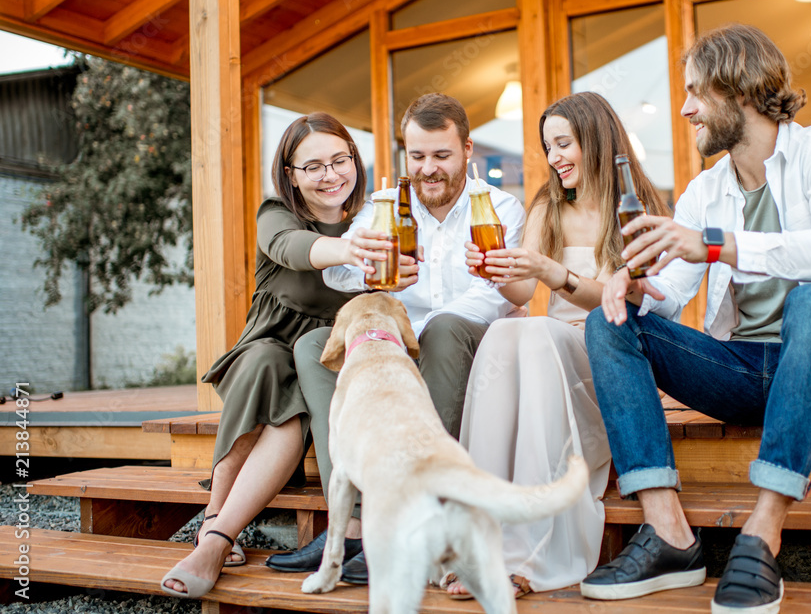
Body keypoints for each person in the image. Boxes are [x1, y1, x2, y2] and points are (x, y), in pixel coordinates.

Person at [580, 24, 811, 613]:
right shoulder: (704, 191)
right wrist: (633, 290)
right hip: (744, 370)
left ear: (740, 88)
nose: (684, 109)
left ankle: (763, 529)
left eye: (695, 93)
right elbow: (672, 290)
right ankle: (667, 533)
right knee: (608, 322)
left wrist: (717, 245)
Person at [265, 92, 527, 579]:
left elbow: (494, 296)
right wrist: (371, 269)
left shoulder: (499, 207)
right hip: (401, 343)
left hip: (468, 342)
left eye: (441, 155)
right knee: (312, 347)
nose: (428, 168)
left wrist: (410, 335)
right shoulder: (385, 206)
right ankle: (355, 524)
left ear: (468, 149)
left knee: (443, 328)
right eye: (418, 155)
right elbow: (338, 276)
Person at [444, 92, 667, 599]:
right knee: (507, 329)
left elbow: (617, 301)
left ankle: (530, 553)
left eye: (564, 144)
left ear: (595, 138)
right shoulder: (548, 204)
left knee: (540, 333)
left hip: (609, 355)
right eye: (549, 147)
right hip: (550, 353)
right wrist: (494, 270)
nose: (555, 158)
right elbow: (523, 291)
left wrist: (555, 273)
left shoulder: (637, 205)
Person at [160, 112, 374, 598]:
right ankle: (215, 517)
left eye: (340, 160)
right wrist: (348, 249)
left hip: (325, 359)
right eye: (313, 166)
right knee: (266, 364)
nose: (330, 174)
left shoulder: (372, 219)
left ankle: (214, 542)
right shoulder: (277, 212)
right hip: (266, 348)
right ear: (292, 175)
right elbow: (292, 248)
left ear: (355, 162)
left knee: (297, 402)